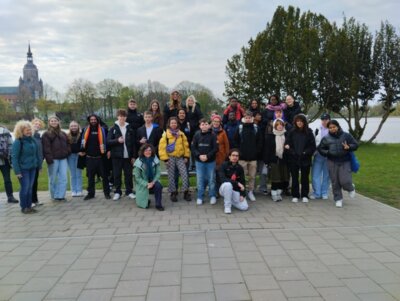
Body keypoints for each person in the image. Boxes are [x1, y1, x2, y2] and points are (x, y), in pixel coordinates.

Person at [318, 120, 358, 208]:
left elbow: (355, 145)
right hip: (332, 161)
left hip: (345, 161)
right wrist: (327, 152)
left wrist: (349, 147)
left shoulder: (346, 135)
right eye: (330, 128)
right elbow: (320, 149)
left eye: (334, 127)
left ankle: (350, 188)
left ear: (338, 126)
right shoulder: (326, 138)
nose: (332, 129)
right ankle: (338, 199)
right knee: (335, 181)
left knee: (345, 181)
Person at [158, 117, 191, 202]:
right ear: (169, 124)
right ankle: (173, 192)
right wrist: (165, 159)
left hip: (180, 157)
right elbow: (162, 148)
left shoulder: (181, 134)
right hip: (170, 158)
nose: (173, 124)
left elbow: (186, 146)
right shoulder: (166, 135)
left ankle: (186, 191)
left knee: (184, 174)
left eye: (175, 123)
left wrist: (186, 156)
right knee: (171, 176)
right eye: (172, 123)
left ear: (177, 124)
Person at [11, 121, 42, 214]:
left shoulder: (32, 140)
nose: (29, 132)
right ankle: (24, 207)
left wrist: (39, 166)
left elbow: (36, 154)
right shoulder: (18, 141)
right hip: (23, 169)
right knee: (25, 188)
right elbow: (14, 158)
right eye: (27, 130)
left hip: (32, 168)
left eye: (30, 130)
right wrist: (17, 171)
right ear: (21, 131)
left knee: (30, 188)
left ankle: (29, 206)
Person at [284, 114, 316, 203]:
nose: (299, 123)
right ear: (295, 122)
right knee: (294, 178)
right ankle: (295, 195)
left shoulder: (309, 132)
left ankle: (305, 195)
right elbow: (287, 145)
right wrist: (292, 152)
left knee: (305, 178)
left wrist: (306, 152)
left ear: (304, 122)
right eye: (298, 121)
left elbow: (312, 146)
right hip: (293, 158)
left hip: (305, 158)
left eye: (301, 121)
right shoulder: (291, 132)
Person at [107, 109, 136, 201]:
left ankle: (129, 191)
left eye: (124, 116)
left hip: (128, 157)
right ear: (117, 117)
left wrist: (133, 156)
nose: (122, 117)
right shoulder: (113, 128)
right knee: (117, 175)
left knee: (128, 174)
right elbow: (108, 141)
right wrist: (117, 141)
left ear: (126, 117)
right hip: (116, 157)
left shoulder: (130, 128)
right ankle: (117, 192)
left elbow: (134, 143)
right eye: (120, 116)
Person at [80, 114, 111, 200]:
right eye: (91, 119)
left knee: (104, 177)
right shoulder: (85, 130)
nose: (93, 121)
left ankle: (107, 193)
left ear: (97, 120)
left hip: (100, 158)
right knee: (90, 177)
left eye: (95, 119)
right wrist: (81, 150)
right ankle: (91, 194)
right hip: (89, 158)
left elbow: (107, 142)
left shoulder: (103, 130)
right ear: (89, 121)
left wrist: (108, 150)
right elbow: (81, 142)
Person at [234, 111, 262, 202]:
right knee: (242, 176)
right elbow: (235, 141)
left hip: (253, 158)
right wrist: (239, 153)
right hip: (242, 158)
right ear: (244, 118)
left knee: (252, 176)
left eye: (250, 117)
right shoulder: (240, 128)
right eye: (246, 117)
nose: (248, 119)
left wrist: (257, 152)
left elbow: (260, 142)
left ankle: (250, 191)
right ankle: (242, 192)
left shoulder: (256, 128)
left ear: (252, 118)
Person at [42, 115, 70, 201]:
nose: (54, 122)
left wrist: (67, 152)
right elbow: (46, 148)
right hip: (53, 159)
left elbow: (68, 144)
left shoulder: (63, 133)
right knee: (53, 178)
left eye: (55, 121)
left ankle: (61, 196)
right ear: (49, 123)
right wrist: (49, 159)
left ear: (58, 122)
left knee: (63, 178)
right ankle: (54, 195)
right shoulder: (46, 134)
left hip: (63, 159)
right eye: (52, 121)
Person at [191, 118, 218, 205]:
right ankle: (200, 196)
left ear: (209, 125)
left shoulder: (213, 135)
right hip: (199, 162)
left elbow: (215, 148)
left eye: (206, 124)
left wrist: (207, 156)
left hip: (210, 161)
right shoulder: (196, 135)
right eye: (202, 124)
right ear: (200, 126)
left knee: (211, 179)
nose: (204, 126)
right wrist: (199, 155)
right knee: (200, 180)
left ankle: (212, 195)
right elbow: (193, 148)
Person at [263, 119, 289, 202]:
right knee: (275, 178)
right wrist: (267, 162)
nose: (280, 126)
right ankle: (274, 194)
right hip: (274, 160)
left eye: (281, 124)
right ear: (274, 126)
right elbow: (267, 150)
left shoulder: (287, 135)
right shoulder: (270, 136)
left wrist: (288, 147)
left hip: (284, 160)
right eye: (278, 124)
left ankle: (279, 193)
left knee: (282, 177)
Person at [134, 143, 164, 211]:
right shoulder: (138, 162)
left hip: (153, 180)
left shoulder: (155, 159)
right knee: (144, 205)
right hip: (143, 183)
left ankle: (158, 204)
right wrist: (147, 184)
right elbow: (137, 178)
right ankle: (145, 201)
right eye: (146, 150)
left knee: (158, 186)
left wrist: (153, 182)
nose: (148, 152)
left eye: (149, 150)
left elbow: (158, 173)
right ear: (142, 152)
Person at [218, 149, 249, 214]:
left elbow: (242, 182)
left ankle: (230, 199)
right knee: (228, 184)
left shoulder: (240, 168)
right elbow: (222, 179)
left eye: (237, 156)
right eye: (233, 155)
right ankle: (227, 206)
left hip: (235, 190)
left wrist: (242, 194)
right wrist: (237, 183)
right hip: (223, 189)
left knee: (244, 207)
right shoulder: (223, 165)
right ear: (229, 156)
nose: (235, 157)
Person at [310, 113, 331, 200]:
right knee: (315, 174)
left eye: (326, 119)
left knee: (327, 175)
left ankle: (324, 192)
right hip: (318, 154)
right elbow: (312, 141)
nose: (324, 121)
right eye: (323, 119)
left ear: (329, 120)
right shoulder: (316, 129)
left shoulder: (333, 129)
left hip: (329, 155)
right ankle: (317, 193)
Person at [0, 124, 19, 203]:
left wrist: (8, 156)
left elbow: (11, 144)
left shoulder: (4, 131)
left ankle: (10, 197)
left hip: (4, 160)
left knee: (7, 179)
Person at [66, 121, 83, 197]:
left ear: (78, 126)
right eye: (72, 126)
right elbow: (67, 147)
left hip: (79, 156)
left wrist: (82, 151)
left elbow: (84, 145)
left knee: (78, 173)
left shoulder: (81, 135)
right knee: (72, 174)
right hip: (70, 156)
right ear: (70, 127)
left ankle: (79, 190)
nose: (73, 127)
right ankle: (73, 190)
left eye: (75, 126)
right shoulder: (66, 136)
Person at [31, 118, 44, 206]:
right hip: (30, 164)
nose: (37, 125)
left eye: (39, 124)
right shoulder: (29, 136)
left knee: (35, 183)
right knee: (30, 184)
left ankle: (35, 201)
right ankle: (29, 201)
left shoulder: (38, 136)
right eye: (35, 124)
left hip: (37, 164)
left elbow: (40, 153)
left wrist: (40, 165)